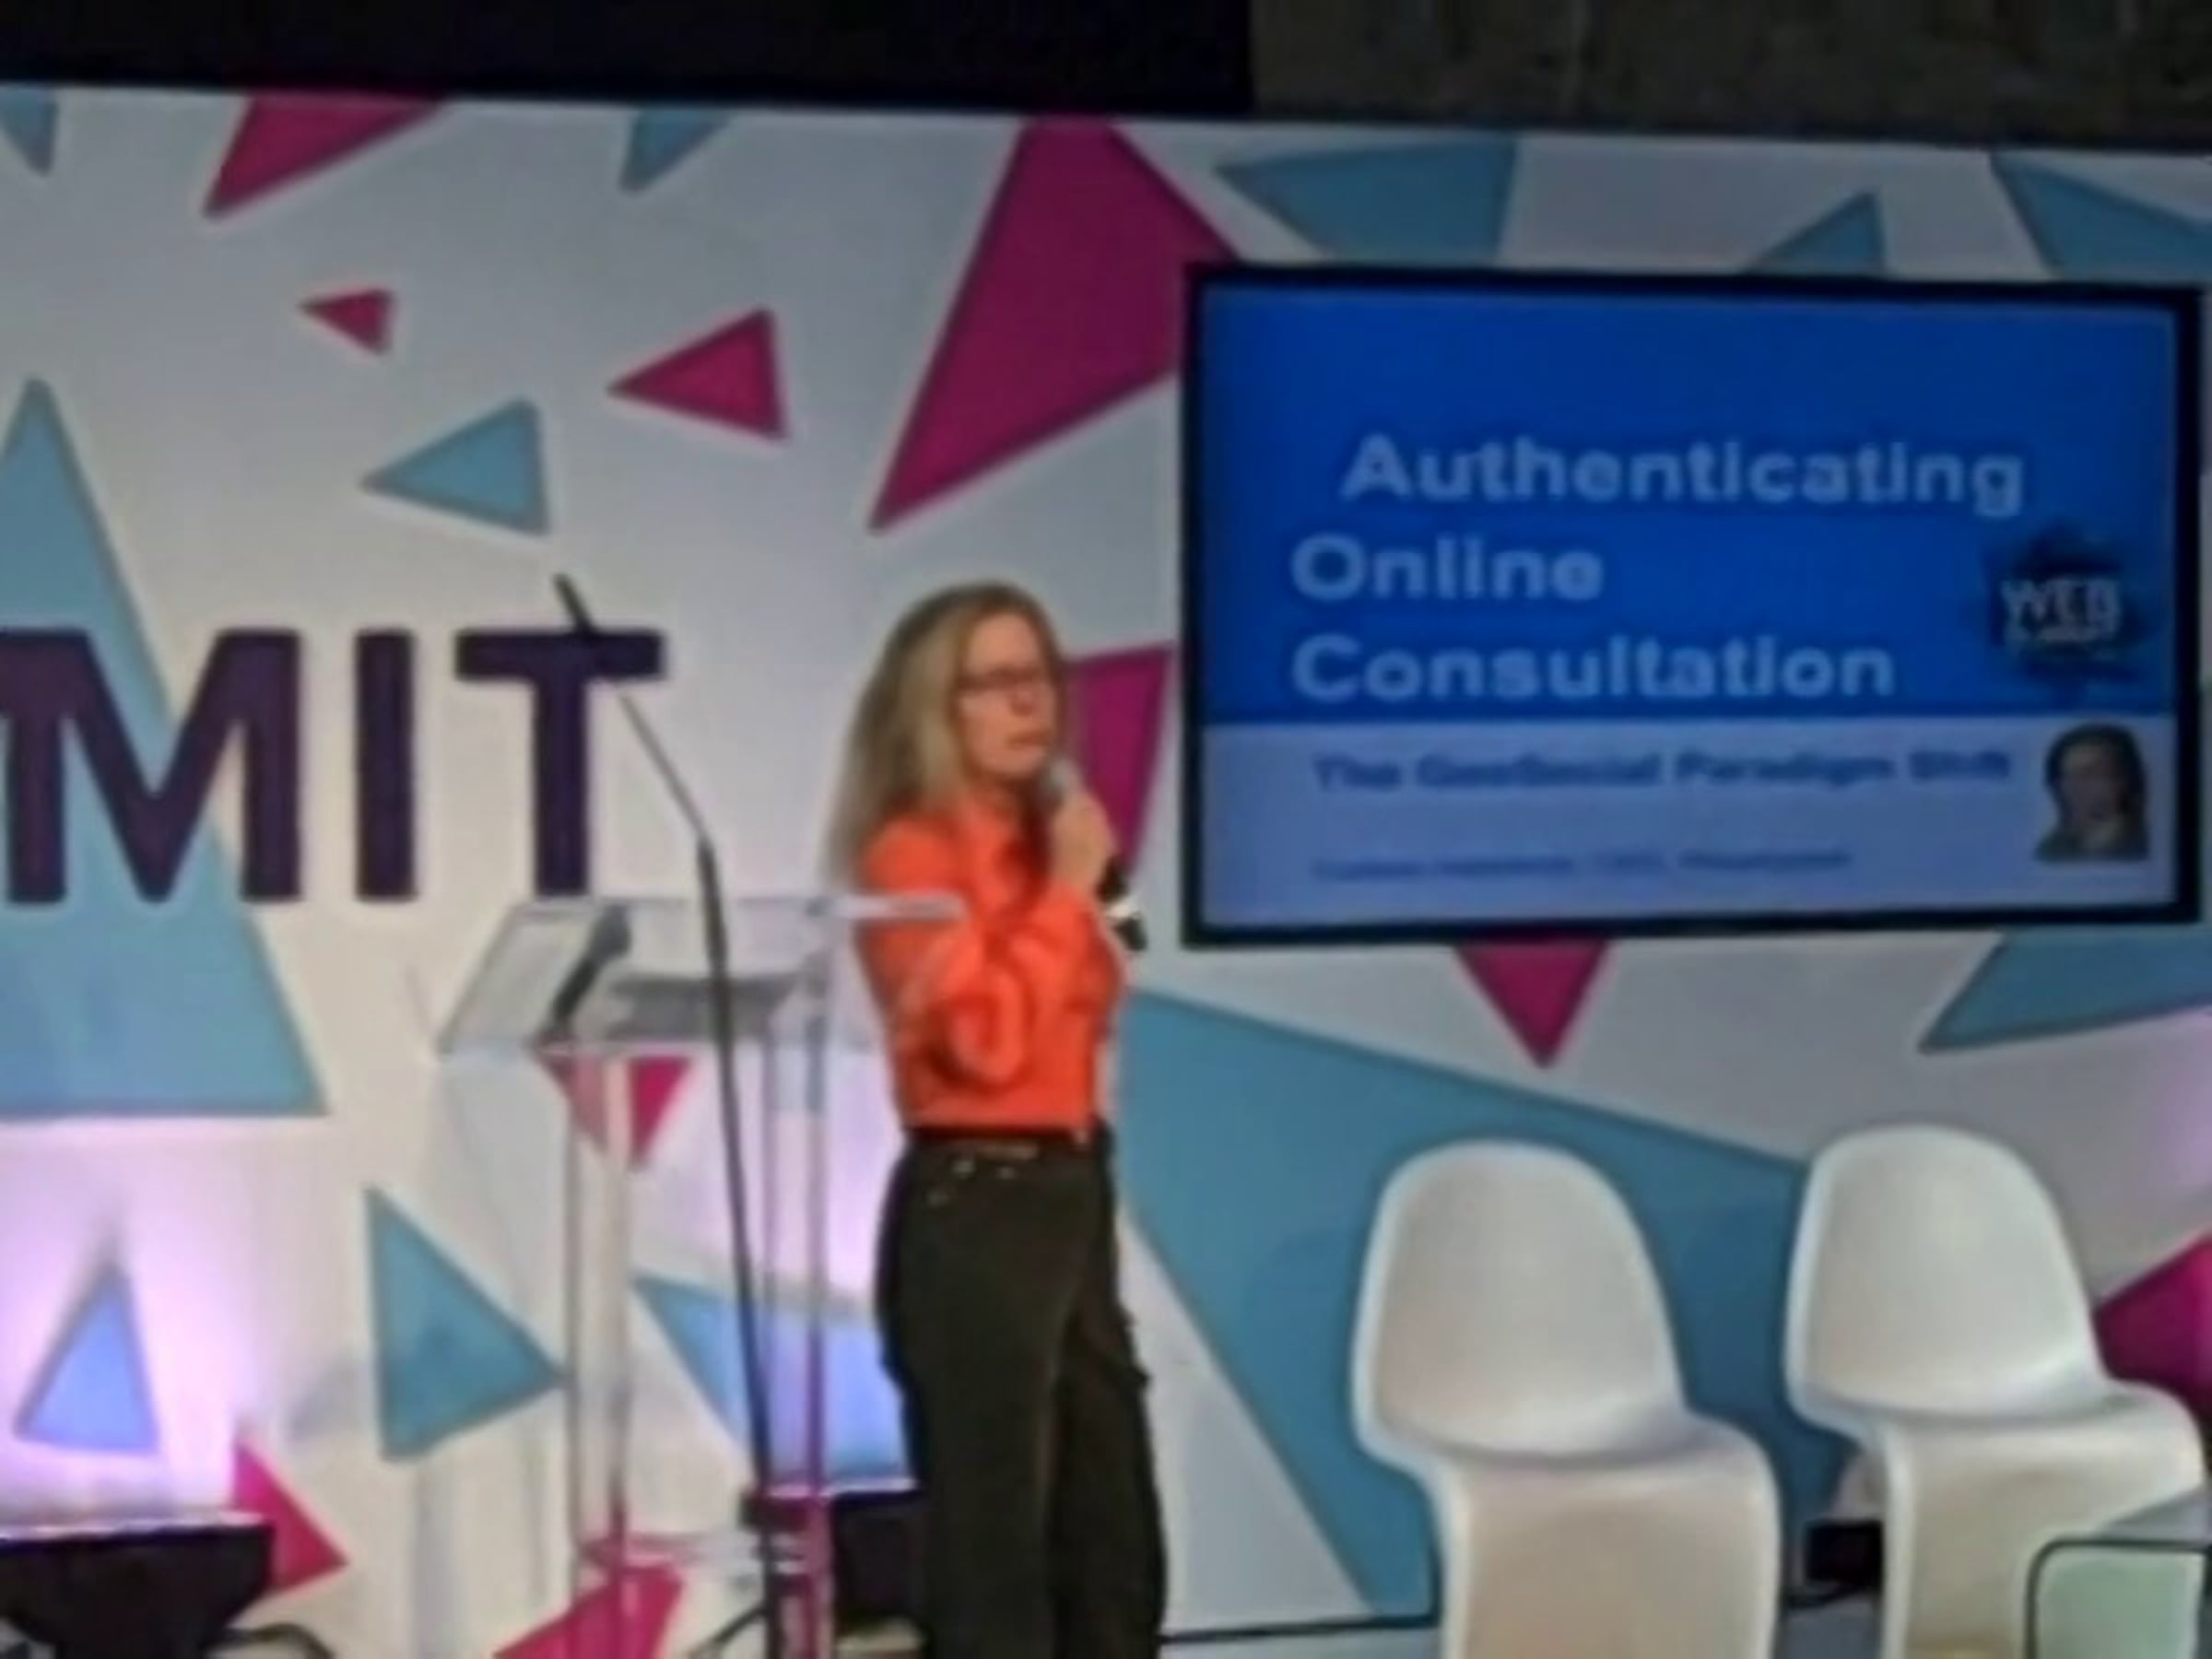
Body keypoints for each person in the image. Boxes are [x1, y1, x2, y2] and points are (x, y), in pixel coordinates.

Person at [827, 580, 1167, 1658]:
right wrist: (1063, 894)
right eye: (997, 683)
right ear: (937, 706)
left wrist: (1067, 883)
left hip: (1071, 1189)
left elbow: (1096, 998)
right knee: (996, 1548)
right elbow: (987, 1045)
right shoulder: (909, 855)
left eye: (1040, 677)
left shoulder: (1047, 840)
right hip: (978, 1203)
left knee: (1109, 1531)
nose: (1031, 704)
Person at [2035, 723, 2148, 863]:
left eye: (2088, 774)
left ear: (2123, 780)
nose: (2074, 786)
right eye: (2066, 775)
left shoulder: (2142, 845)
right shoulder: (2051, 849)